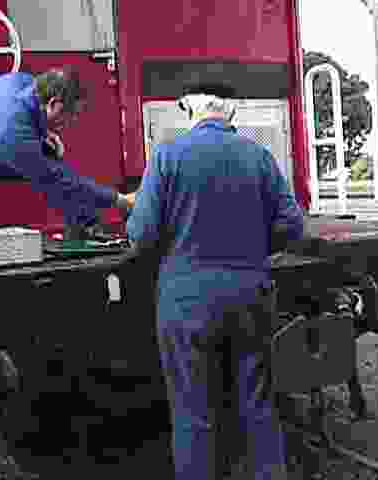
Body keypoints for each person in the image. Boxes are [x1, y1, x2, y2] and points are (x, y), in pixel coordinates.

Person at [126, 83, 305, 479]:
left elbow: (141, 234)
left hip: (186, 301)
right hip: (250, 297)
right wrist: (256, 247)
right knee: (258, 406)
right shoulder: (258, 155)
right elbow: (293, 226)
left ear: (189, 112)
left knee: (193, 413)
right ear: (231, 114)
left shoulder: (167, 155)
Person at [0, 67, 133, 232]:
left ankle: (85, 222)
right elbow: (57, 177)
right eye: (69, 114)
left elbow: (28, 123)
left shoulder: (20, 81)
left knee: (48, 165)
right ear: (54, 104)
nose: (70, 121)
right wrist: (118, 200)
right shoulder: (13, 132)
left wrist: (42, 134)